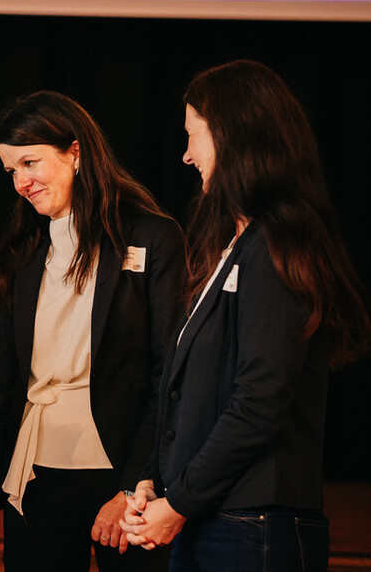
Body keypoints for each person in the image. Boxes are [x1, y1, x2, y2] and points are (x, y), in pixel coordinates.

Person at [120, 60, 371, 572]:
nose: (185, 155)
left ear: (234, 136)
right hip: (214, 516)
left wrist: (180, 502)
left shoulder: (277, 246)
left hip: (253, 525)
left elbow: (258, 401)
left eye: (194, 136)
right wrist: (155, 481)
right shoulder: (233, 246)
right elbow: (194, 392)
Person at [0, 91, 185, 572]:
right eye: (10, 171)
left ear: (76, 153)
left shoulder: (152, 237)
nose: (20, 182)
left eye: (30, 162)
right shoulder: (21, 255)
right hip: (34, 481)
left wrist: (133, 487)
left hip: (124, 482)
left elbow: (171, 377)